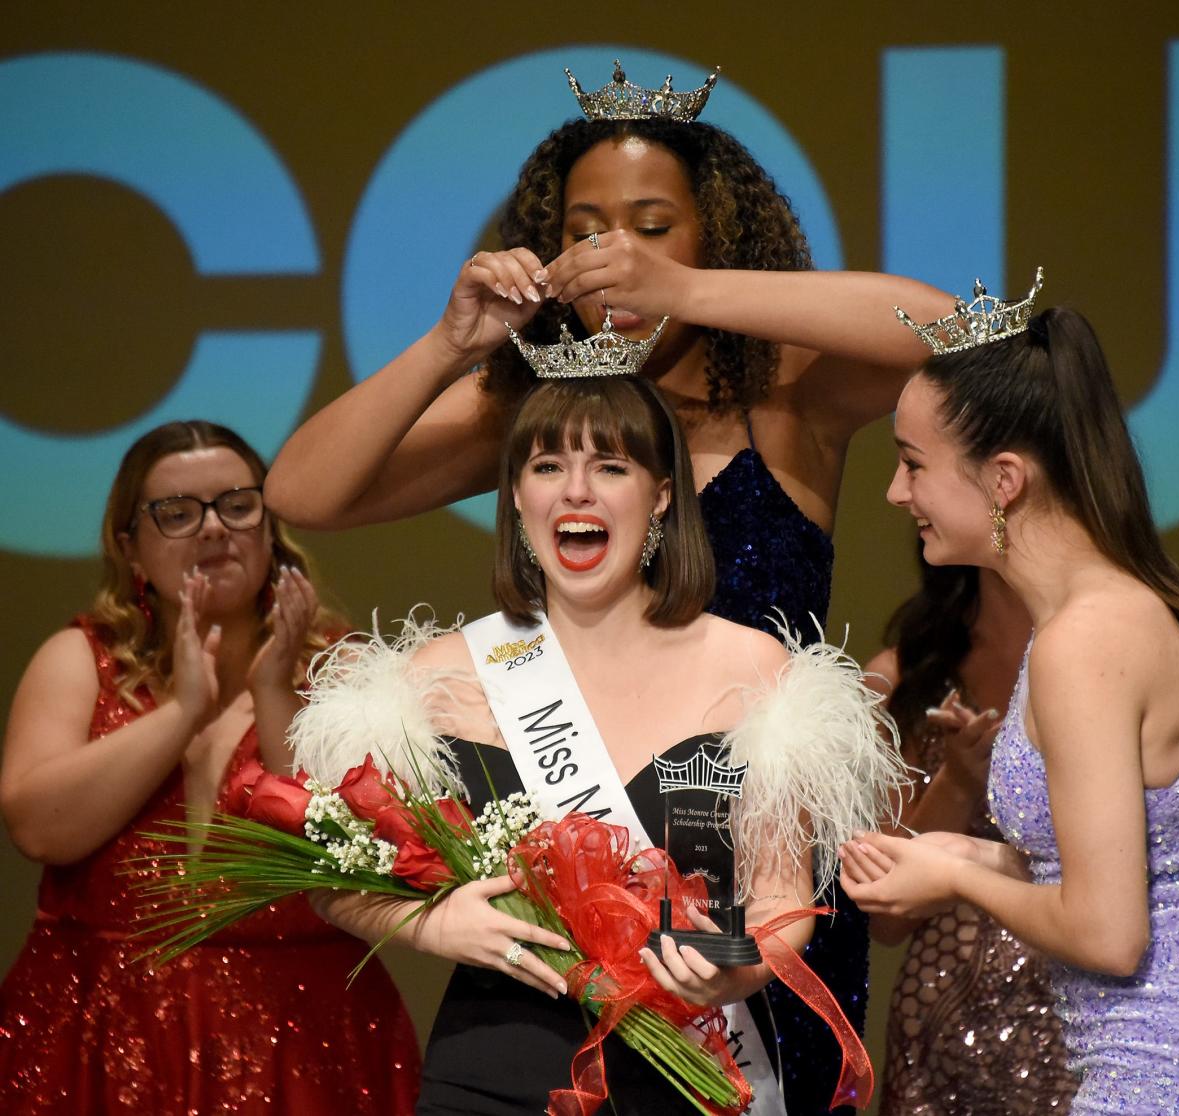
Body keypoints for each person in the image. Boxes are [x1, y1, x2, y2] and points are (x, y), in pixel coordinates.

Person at [264, 61, 951, 1112]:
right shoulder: (527, 417)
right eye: (583, 231)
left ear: (714, 238)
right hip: (571, 879)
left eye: (650, 227)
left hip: (754, 892)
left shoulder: (785, 398)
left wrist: (686, 294)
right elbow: (301, 490)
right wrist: (452, 344)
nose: (612, 256)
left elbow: (950, 327)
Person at [290, 365, 904, 1115]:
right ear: (517, 497)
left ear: (662, 496)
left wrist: (734, 970)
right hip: (490, 1079)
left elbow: (785, 901)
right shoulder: (442, 677)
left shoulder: (751, 667)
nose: (576, 491)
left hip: (691, 1078)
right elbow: (332, 881)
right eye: (548, 466)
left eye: (609, 466)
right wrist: (431, 920)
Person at [839, 286, 1179, 1111]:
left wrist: (958, 881)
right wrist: (960, 854)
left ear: (1005, 480)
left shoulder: (1083, 640)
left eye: (914, 464)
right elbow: (1131, 866)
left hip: (1160, 1071)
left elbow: (1108, 933)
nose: (895, 493)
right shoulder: (1106, 611)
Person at [0, 421, 421, 1115]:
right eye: (176, 512)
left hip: (302, 1041)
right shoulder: (78, 659)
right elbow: (40, 830)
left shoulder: (340, 668)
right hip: (97, 1032)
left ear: (271, 526)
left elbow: (348, 859)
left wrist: (275, 692)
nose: (212, 529)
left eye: (236, 505)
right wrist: (181, 714)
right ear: (129, 547)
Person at [864, 557, 1077, 1113]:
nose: (902, 493)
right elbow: (884, 913)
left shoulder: (1103, 657)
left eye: (915, 467)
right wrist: (959, 779)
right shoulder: (905, 674)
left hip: (1080, 1006)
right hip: (943, 1016)